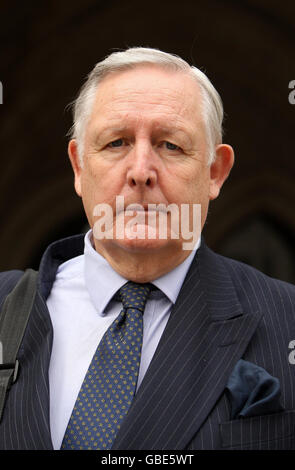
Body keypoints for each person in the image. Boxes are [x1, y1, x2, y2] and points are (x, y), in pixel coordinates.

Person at [0, 47, 294, 451]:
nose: (141, 172)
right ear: (79, 168)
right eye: (116, 142)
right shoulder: (4, 308)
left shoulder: (288, 319)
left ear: (215, 172)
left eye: (171, 145)